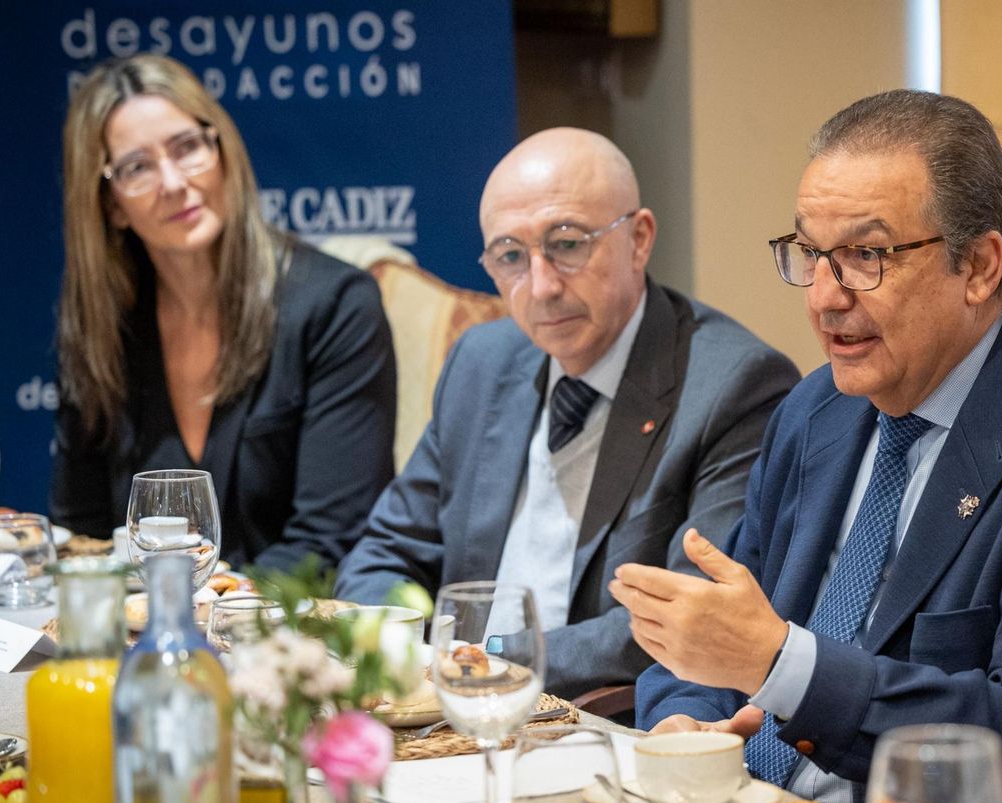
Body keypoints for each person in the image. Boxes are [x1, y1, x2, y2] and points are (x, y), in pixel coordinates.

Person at [616, 90, 1002, 803]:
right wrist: (684, 721)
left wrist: (785, 666)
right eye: (811, 253)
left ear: (979, 266)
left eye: (866, 256)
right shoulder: (815, 410)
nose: (823, 296)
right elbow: (720, 630)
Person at [334, 128, 800, 700]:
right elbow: (385, 554)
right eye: (510, 257)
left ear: (639, 238)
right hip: (446, 706)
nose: (541, 286)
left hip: (598, 720)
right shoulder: (481, 363)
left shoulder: (733, 386)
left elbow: (688, 615)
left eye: (568, 244)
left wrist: (479, 663)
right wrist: (398, 649)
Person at [50, 54, 395, 571]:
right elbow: (85, 536)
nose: (172, 182)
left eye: (187, 148)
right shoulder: (102, 328)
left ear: (223, 152)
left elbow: (328, 543)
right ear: (111, 205)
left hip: (292, 637)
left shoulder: (336, 306)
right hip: (143, 637)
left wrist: (201, 618)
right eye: (137, 168)